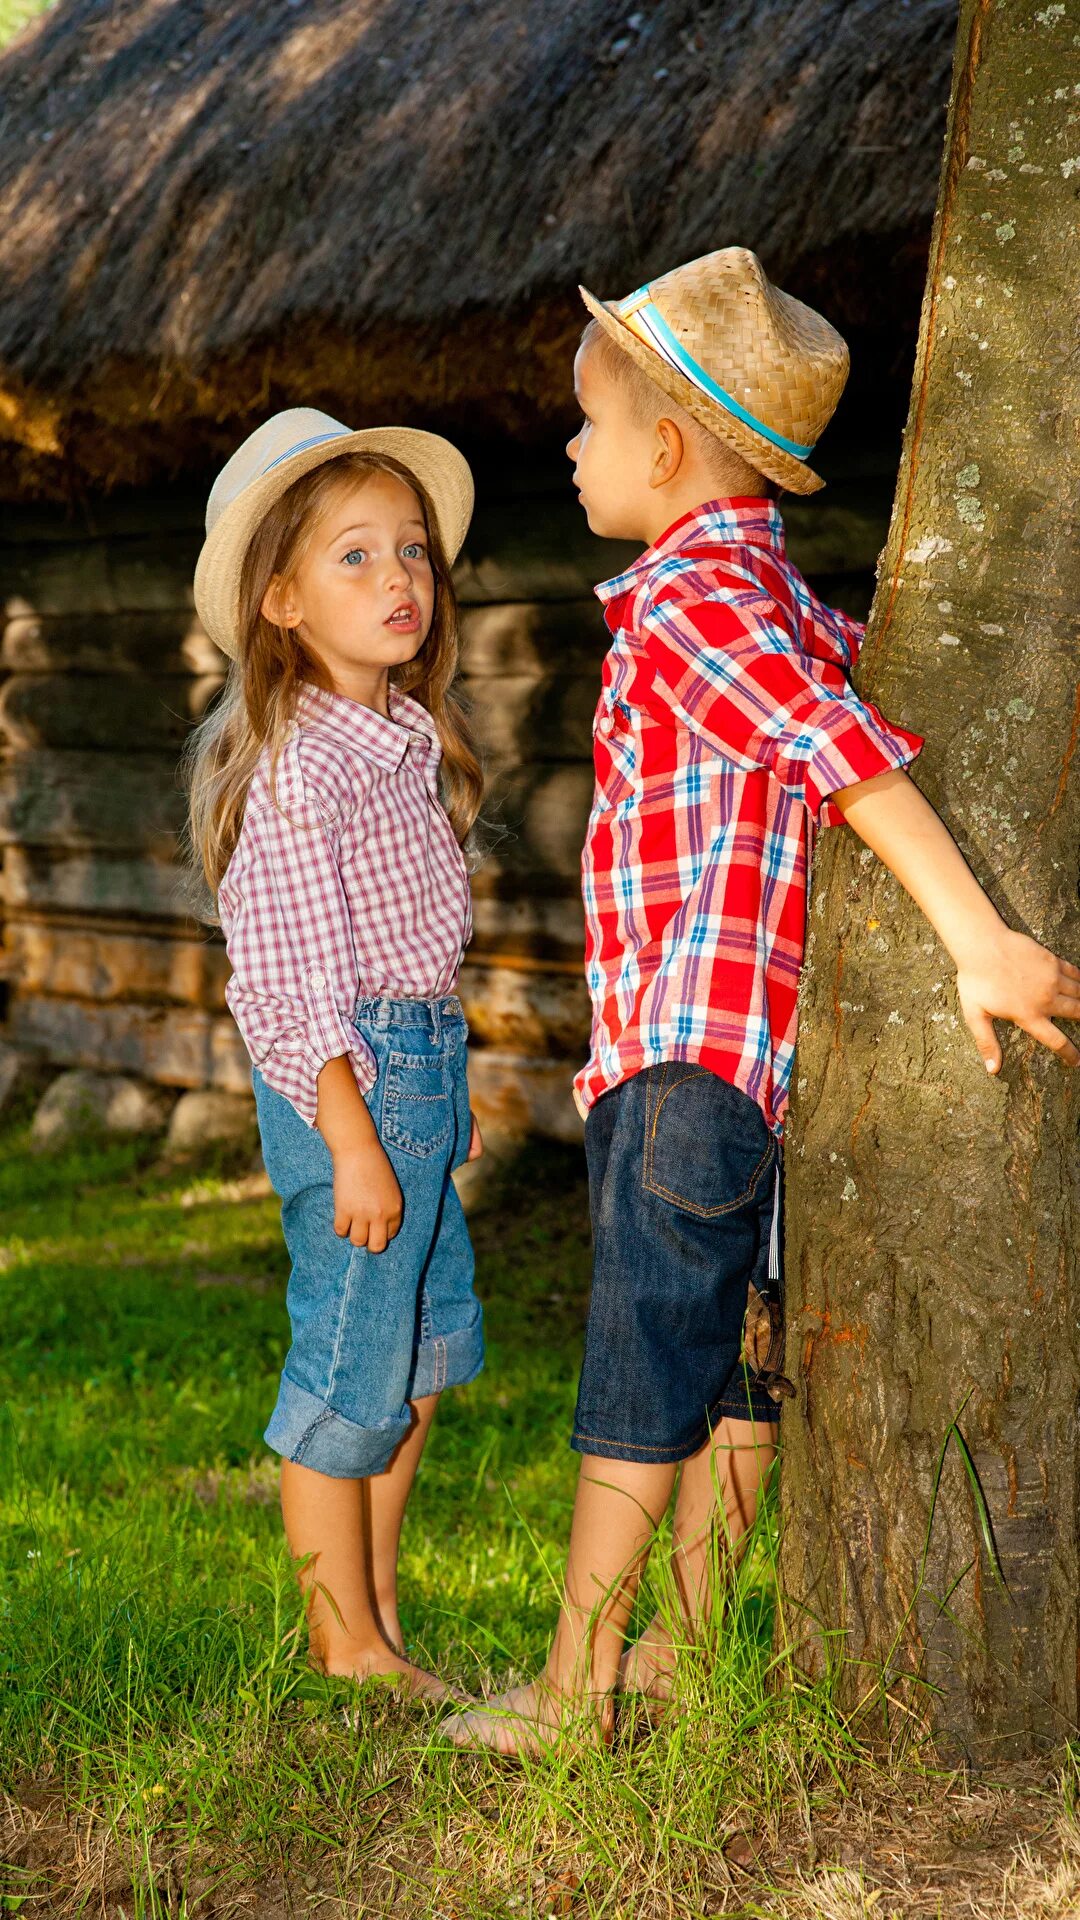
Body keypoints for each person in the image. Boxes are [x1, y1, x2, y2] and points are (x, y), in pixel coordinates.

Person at [445, 246, 1080, 1754]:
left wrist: (978, 935)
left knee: (643, 1357)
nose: (571, 445)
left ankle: (579, 1683)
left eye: (587, 421)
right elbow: (855, 708)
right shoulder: (772, 587)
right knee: (734, 1358)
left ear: (666, 448)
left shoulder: (690, 605)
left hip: (685, 1051)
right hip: (754, 1069)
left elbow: (844, 756)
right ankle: (680, 1648)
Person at [184, 408, 485, 1699]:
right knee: (351, 1367)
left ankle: (374, 1608)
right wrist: (356, 1141)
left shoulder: (398, 746)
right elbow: (292, 986)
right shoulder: (304, 765)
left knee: (420, 1358)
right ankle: (341, 1641)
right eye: (353, 557)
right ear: (284, 600)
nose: (399, 578)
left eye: (411, 550)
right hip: (350, 1086)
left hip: (415, 1077)